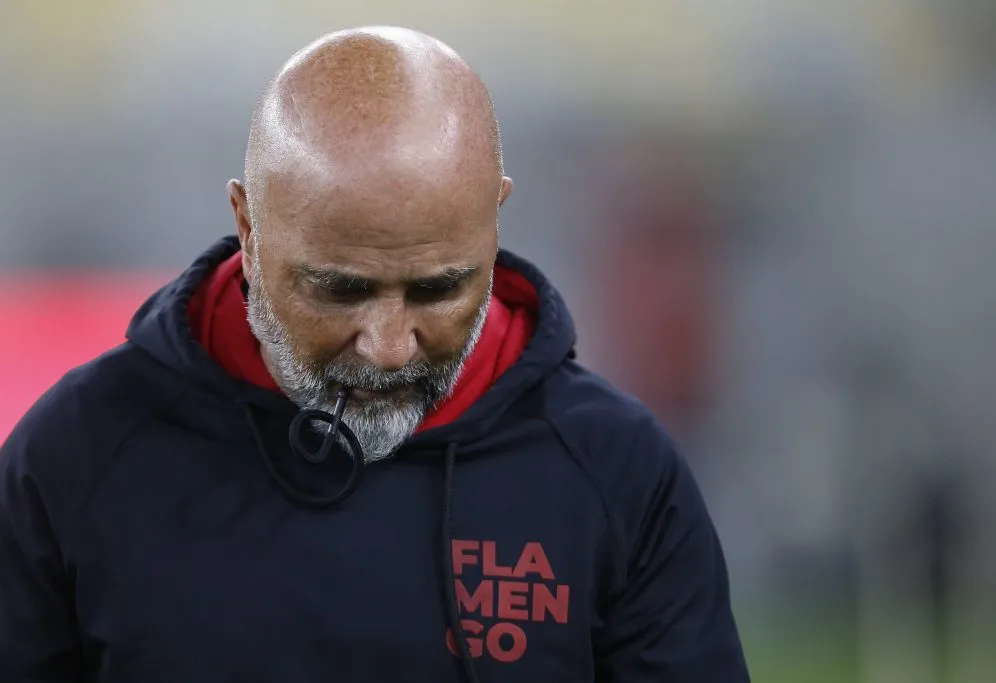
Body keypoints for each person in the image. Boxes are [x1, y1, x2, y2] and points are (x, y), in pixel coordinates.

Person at [0, 26, 750, 683]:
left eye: (437, 290)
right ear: (249, 228)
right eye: (340, 290)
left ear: (494, 222)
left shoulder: (618, 474)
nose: (388, 348)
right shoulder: (74, 458)